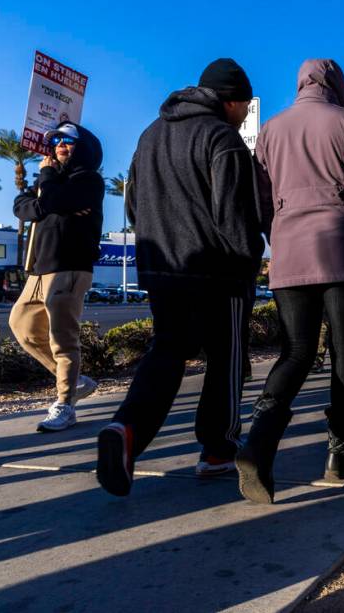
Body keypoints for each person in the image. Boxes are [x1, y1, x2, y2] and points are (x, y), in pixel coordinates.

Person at [96, 59, 264, 496]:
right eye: (244, 105)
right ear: (230, 100)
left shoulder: (149, 135)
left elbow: (132, 206)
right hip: (217, 271)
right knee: (225, 358)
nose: (246, 113)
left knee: (167, 352)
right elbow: (235, 216)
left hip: (160, 268)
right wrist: (250, 261)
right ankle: (217, 450)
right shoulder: (222, 138)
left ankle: (127, 429)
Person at [236, 58, 344, 504]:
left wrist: (280, 234)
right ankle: (340, 451)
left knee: (296, 350)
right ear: (337, 84)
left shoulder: (271, 131)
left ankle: (259, 443)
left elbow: (261, 201)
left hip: (291, 250)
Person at [10, 122, 104, 432]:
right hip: (39, 269)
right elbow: (21, 206)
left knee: (62, 337)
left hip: (70, 266)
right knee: (22, 326)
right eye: (57, 141)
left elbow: (50, 202)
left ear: (84, 147)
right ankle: (74, 382)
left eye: (68, 141)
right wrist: (45, 202)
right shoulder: (50, 181)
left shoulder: (89, 180)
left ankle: (65, 404)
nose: (60, 145)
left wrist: (47, 197)